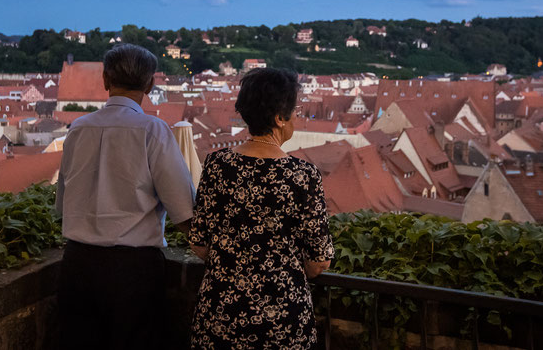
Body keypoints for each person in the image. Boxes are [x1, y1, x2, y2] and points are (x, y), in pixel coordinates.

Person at [56, 44, 196, 350]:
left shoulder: (78, 129)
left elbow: (62, 201)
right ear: (150, 84)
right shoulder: (153, 130)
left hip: (77, 264)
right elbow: (183, 209)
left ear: (105, 80)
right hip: (133, 270)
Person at [188, 68, 334, 349]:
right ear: (280, 118)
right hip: (281, 322)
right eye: (296, 111)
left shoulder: (217, 164)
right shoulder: (303, 176)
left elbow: (198, 243)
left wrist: (234, 270)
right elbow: (319, 262)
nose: (297, 117)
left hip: (220, 316)